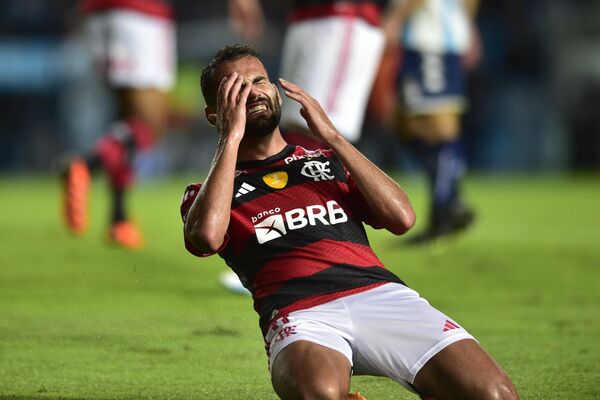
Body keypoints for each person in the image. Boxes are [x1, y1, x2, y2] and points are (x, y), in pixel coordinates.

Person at [180, 44, 519, 400]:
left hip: (382, 296)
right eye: (235, 89)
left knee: (495, 394)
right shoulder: (208, 193)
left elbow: (402, 217)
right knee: (320, 395)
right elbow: (206, 236)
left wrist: (334, 138)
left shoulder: (328, 161)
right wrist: (230, 137)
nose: (253, 92)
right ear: (214, 114)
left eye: (259, 80)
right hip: (302, 314)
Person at [61, 0, 263, 249]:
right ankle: (88, 165)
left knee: (126, 120)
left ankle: (119, 218)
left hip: (97, 13)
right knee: (151, 124)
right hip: (142, 13)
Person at [382, 0, 481, 243]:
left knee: (441, 129)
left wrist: (395, 20)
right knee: (405, 125)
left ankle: (443, 214)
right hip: (423, 44)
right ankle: (451, 199)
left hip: (431, 42)